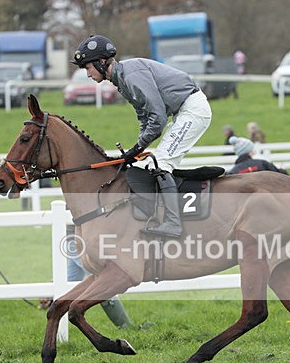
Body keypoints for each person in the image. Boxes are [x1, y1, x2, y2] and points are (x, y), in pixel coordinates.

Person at [72, 34, 212, 238]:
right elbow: (146, 119)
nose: (87, 74)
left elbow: (158, 119)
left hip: (192, 110)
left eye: (88, 67)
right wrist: (137, 149)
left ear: (101, 62)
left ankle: (173, 223)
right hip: (182, 111)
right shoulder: (122, 80)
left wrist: (137, 148)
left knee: (160, 163)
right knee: (147, 165)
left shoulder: (131, 76)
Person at [66, 223, 132, 328]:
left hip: (74, 239)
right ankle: (125, 325)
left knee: (69, 283)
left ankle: (50, 301)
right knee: (103, 282)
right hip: (80, 240)